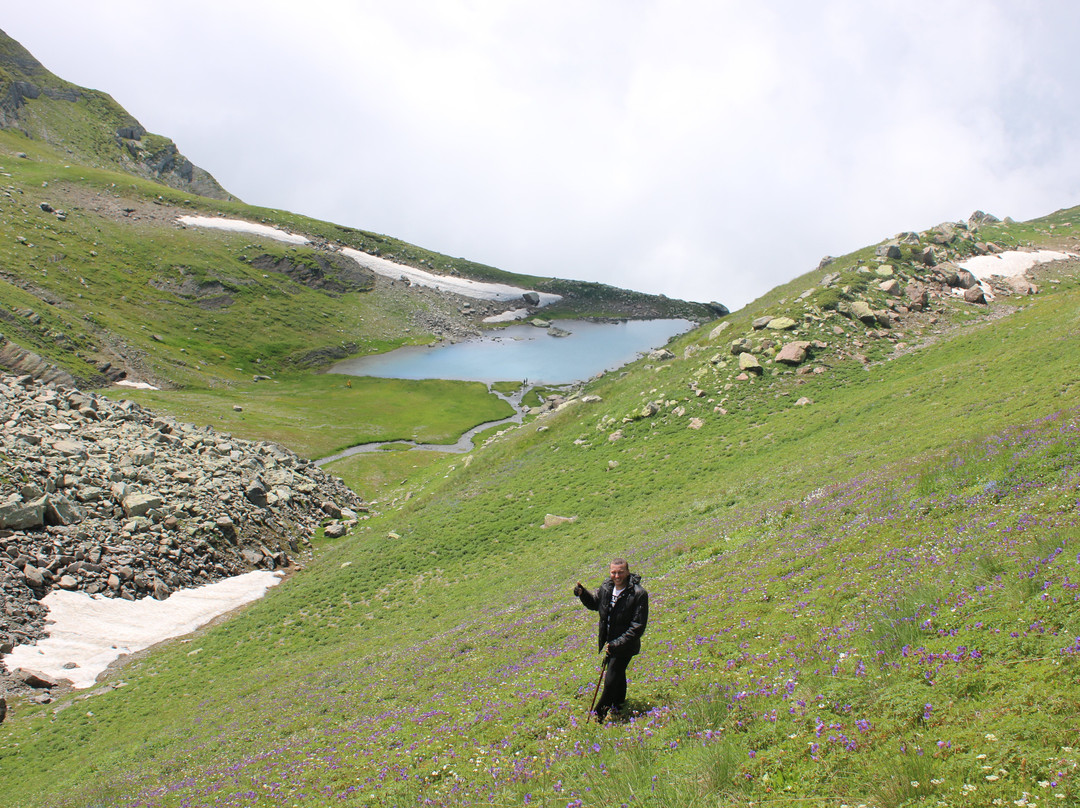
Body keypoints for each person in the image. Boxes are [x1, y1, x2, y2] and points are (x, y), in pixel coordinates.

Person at [574, 558, 649, 722]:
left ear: (628, 572)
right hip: (611, 643)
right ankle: (619, 706)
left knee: (610, 681)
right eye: (613, 572)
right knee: (618, 677)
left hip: (626, 645)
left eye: (620, 572)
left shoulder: (638, 594)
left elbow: (638, 626)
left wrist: (617, 644)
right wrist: (582, 594)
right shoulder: (607, 587)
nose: (617, 575)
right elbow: (596, 604)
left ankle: (597, 716)